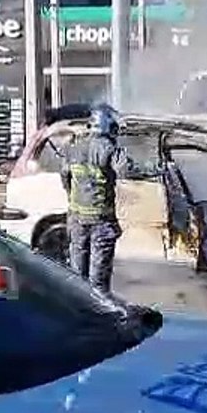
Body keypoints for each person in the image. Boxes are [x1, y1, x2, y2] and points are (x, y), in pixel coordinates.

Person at [61, 103, 159, 294]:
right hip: (100, 221)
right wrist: (154, 170)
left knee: (76, 275)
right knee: (98, 280)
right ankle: (98, 315)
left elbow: (65, 176)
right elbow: (127, 171)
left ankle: (76, 310)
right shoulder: (109, 148)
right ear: (107, 125)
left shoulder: (73, 146)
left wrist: (72, 199)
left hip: (77, 219)